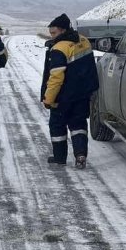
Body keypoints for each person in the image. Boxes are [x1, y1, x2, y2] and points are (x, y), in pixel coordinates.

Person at [41, 13, 99, 168]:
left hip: (63, 97)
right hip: (82, 94)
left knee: (57, 126)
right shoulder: (83, 40)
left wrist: (48, 98)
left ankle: (60, 157)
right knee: (78, 124)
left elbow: (56, 78)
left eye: (54, 33)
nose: (52, 36)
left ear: (63, 30)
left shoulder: (59, 49)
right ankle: (80, 155)